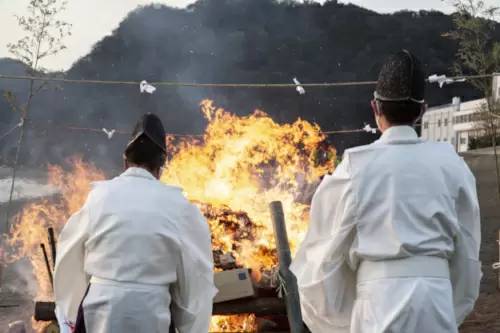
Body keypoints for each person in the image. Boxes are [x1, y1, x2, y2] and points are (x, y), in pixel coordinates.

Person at [290, 50, 481, 333]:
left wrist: (338, 319)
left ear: (375, 108)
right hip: (436, 301)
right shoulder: (452, 164)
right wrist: (450, 306)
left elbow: (322, 257)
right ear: (423, 110)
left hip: (378, 305)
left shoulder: (354, 166)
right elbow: (467, 251)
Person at [53, 113, 217, 333]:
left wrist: (69, 316)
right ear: (160, 167)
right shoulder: (179, 206)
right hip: (151, 313)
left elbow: (68, 259)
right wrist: (190, 327)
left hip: (100, 311)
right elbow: (196, 278)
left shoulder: (99, 197)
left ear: (125, 162)